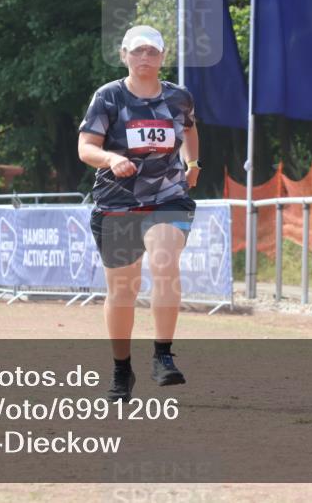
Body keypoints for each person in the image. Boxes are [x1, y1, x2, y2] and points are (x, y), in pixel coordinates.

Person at [77, 25, 201, 402]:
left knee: (165, 262)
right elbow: (86, 147)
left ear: (163, 57)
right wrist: (112, 158)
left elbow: (191, 130)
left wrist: (192, 162)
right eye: (137, 51)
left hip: (168, 197)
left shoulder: (179, 98)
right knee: (123, 290)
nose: (144, 57)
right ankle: (120, 369)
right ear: (124, 56)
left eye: (151, 51)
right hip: (117, 201)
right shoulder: (109, 97)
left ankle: (163, 356)